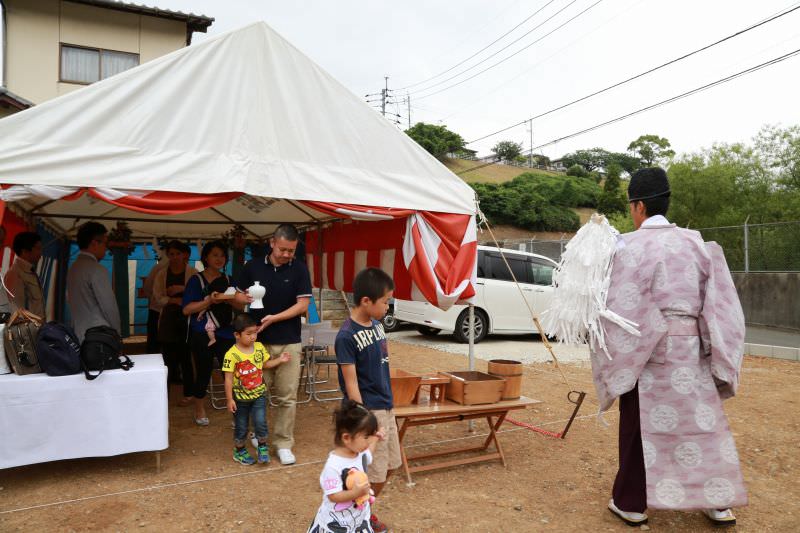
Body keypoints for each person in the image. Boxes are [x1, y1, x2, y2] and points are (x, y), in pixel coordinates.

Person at [594, 168, 747, 527]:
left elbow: (617, 305)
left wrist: (626, 347)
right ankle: (717, 502)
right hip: (691, 348)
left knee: (638, 425)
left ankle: (631, 503)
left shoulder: (626, 246)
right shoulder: (696, 242)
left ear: (640, 206)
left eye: (632, 205)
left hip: (644, 351)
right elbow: (720, 302)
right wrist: (712, 349)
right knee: (703, 424)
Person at [234, 223, 312, 465]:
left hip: (289, 340)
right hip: (257, 342)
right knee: (256, 393)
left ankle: (284, 443)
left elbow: (303, 305)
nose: (287, 254)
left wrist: (274, 318)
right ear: (272, 243)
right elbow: (235, 298)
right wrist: (242, 298)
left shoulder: (299, 269)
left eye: (291, 250)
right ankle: (259, 435)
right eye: (283, 249)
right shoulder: (253, 266)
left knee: (287, 396)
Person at [334, 268, 400, 533]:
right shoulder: (346, 336)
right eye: (384, 301)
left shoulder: (377, 324)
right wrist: (366, 422)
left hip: (387, 405)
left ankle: (363, 507)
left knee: (392, 465)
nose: (387, 306)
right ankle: (358, 513)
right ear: (366, 301)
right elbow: (351, 383)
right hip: (370, 411)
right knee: (373, 472)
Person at [182, 240, 243, 426]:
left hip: (225, 333)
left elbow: (240, 305)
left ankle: (236, 412)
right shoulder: (196, 280)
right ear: (206, 257)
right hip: (201, 333)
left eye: (222, 255)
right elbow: (186, 310)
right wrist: (209, 300)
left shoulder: (229, 280)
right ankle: (199, 408)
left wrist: (228, 298)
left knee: (230, 372)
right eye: (215, 255)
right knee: (203, 371)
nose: (219, 259)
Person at [222, 313, 290, 465]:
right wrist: (229, 399)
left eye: (255, 333)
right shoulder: (231, 355)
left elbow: (265, 364)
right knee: (241, 426)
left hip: (259, 394)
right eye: (248, 334)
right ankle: (239, 451)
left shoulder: (259, 348)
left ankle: (262, 448)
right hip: (240, 399)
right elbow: (228, 378)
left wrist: (280, 360)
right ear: (237, 335)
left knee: (260, 422)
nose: (253, 337)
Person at [307, 400, 384, 533]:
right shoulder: (333, 466)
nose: (369, 441)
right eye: (366, 437)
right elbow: (333, 495)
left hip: (358, 519)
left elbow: (369, 451)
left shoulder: (360, 454)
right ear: (347, 438)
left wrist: (376, 438)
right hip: (336, 523)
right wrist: (355, 493)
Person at [152, 240, 196, 401]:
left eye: (178, 253)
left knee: (186, 357)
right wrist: (173, 300)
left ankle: (189, 392)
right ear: (167, 255)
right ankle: (165, 393)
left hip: (188, 320)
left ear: (185, 255)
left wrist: (181, 290)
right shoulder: (162, 273)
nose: (175, 257)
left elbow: (199, 294)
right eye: (171, 254)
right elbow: (157, 297)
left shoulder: (193, 272)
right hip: (168, 320)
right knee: (168, 358)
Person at [67, 222, 120, 343]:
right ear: (94, 243)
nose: (106, 248)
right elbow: (109, 307)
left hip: (78, 333)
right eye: (105, 243)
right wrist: (117, 333)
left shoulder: (73, 268)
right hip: (98, 337)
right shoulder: (97, 269)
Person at [5, 231, 45, 318]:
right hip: (28, 330)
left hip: (37, 328)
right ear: (25, 251)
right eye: (38, 248)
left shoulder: (30, 271)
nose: (40, 253)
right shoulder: (15, 274)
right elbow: (16, 311)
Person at [143, 255, 168, 354]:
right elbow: (148, 287)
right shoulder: (160, 267)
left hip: (156, 308)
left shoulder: (158, 267)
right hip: (157, 309)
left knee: (154, 341)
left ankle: (153, 362)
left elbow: (147, 288)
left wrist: (153, 299)